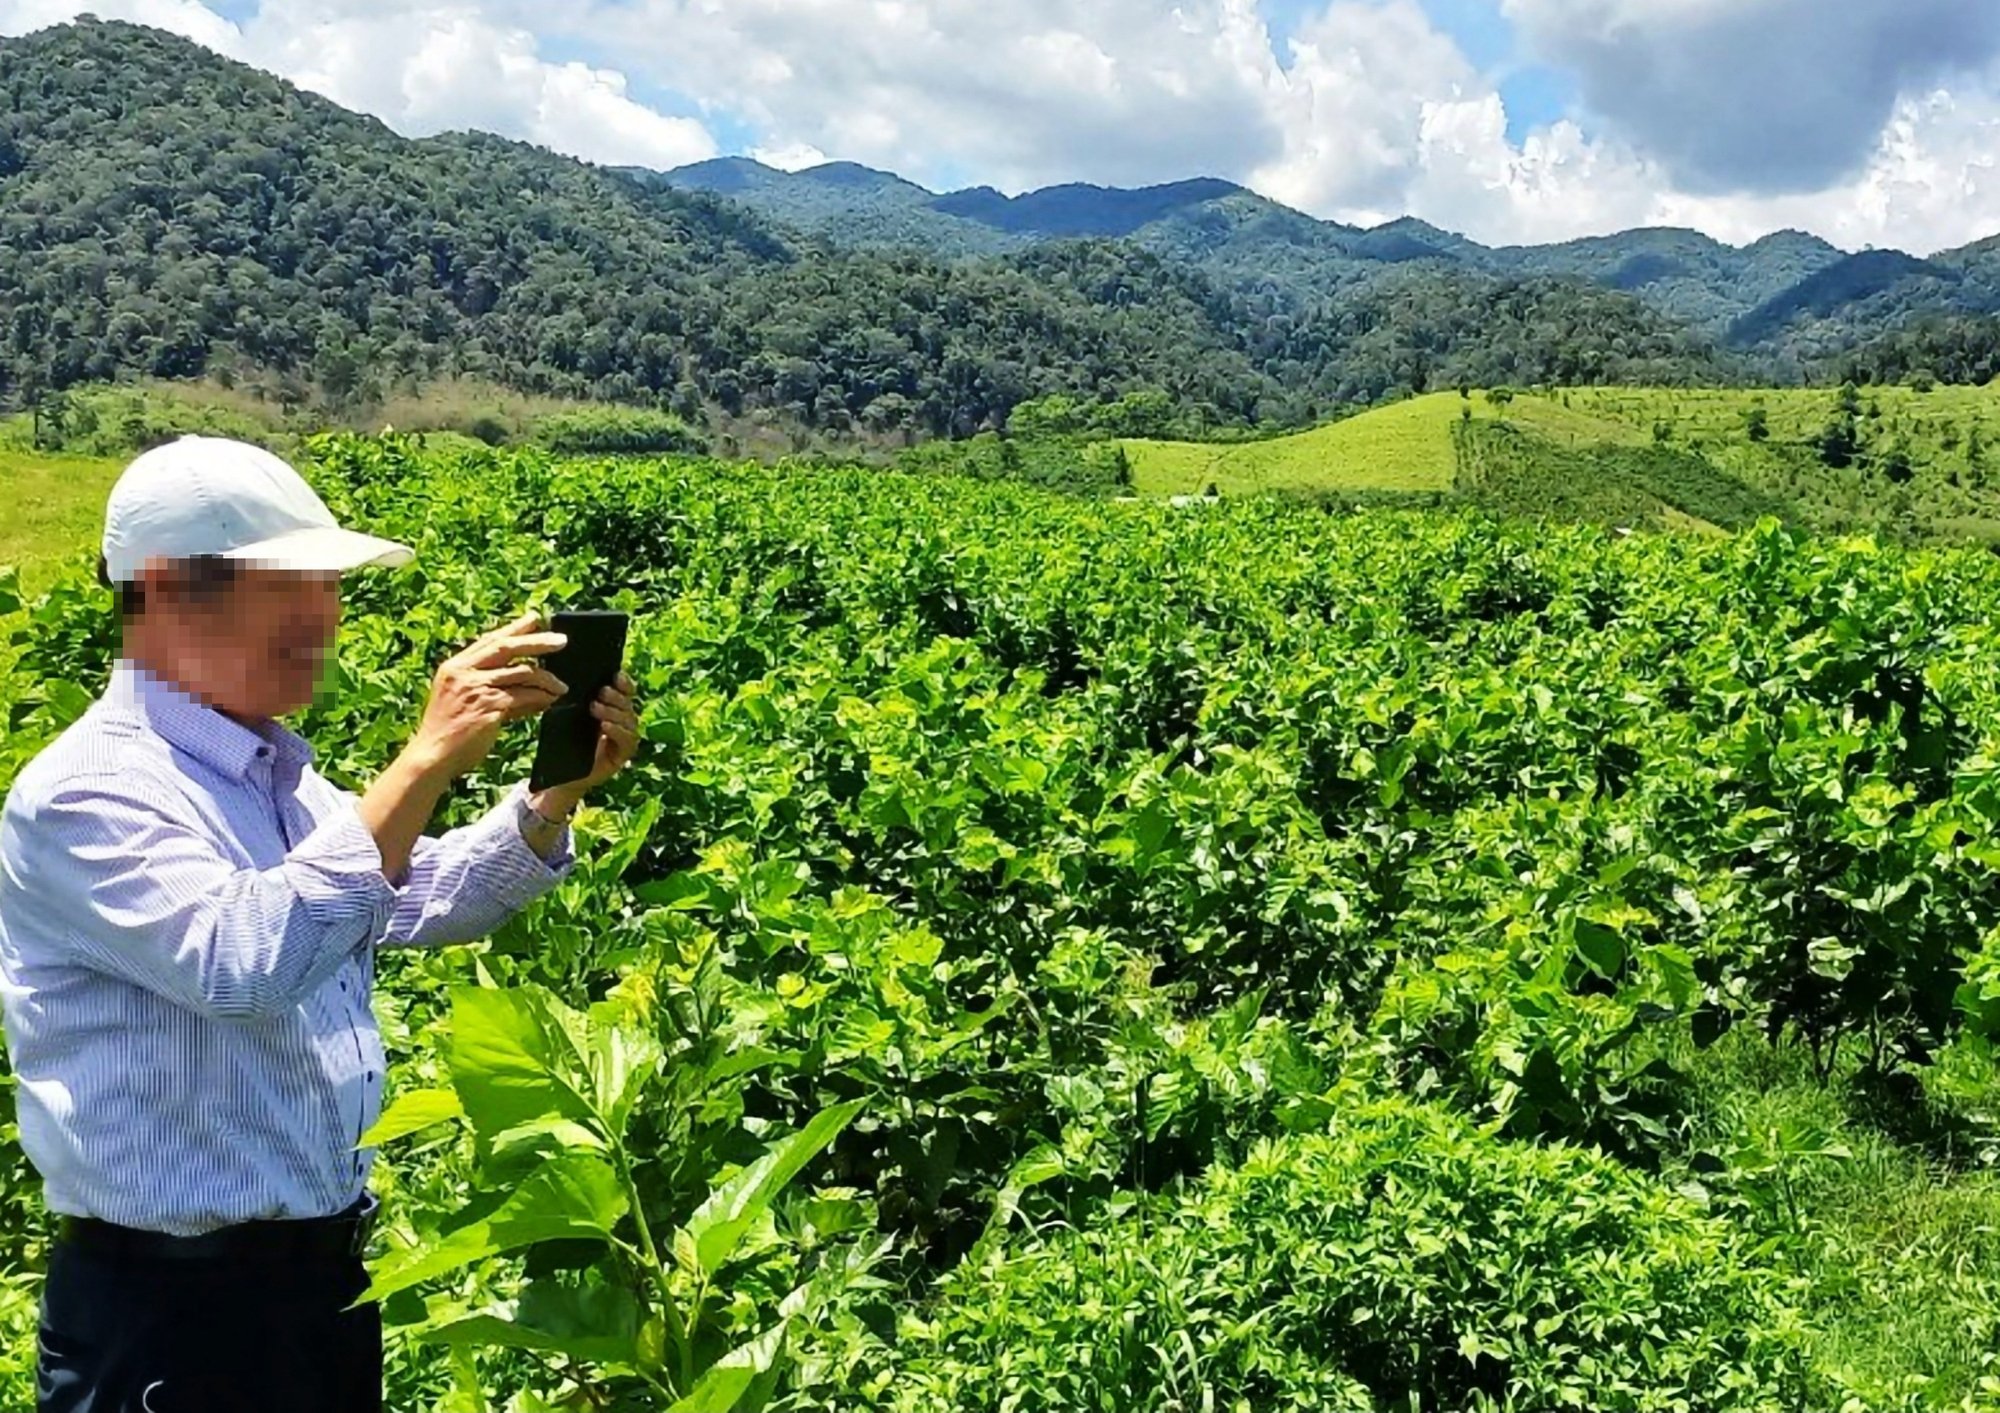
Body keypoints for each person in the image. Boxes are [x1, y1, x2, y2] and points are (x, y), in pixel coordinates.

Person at [0, 435, 642, 1413]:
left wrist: (550, 799)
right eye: (289, 586)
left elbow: (410, 897)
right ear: (168, 592)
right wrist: (421, 763)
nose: (325, 616)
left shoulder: (276, 774)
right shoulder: (88, 793)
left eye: (329, 584)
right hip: (174, 1312)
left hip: (314, 1289)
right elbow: (244, 957)